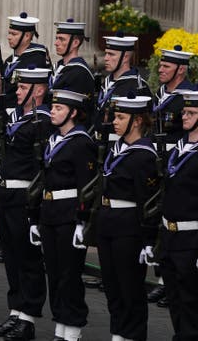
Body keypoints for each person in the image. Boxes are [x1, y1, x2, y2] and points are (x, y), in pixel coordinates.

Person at [0, 67, 51, 341]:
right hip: (8, 195)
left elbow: (41, 167)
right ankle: (15, 312)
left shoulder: (42, 122)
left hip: (25, 197)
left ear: (38, 91)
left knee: (28, 259)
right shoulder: (17, 118)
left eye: (23, 88)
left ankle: (28, 317)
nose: (18, 92)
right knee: (11, 256)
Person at [31, 89, 97, 341]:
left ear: (73, 112)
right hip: (50, 214)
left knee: (70, 274)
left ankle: (73, 329)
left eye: (59, 109)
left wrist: (82, 222)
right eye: (53, 108)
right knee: (56, 273)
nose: (53, 113)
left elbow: (86, 185)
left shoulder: (81, 143)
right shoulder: (52, 139)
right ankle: (61, 324)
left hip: (69, 216)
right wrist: (35, 217)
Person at [95, 93, 158, 341]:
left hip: (128, 228)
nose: (115, 122)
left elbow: (148, 202)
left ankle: (132, 335)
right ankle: (118, 334)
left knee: (130, 287)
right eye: (115, 116)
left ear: (138, 120)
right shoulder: (117, 149)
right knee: (112, 287)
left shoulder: (144, 156)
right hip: (108, 224)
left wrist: (148, 239)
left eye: (121, 117)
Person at [159, 90, 198, 340]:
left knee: (192, 304)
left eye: (192, 113)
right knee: (174, 301)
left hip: (192, 240)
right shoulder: (179, 149)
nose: (184, 116)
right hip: (170, 238)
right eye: (185, 111)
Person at [95, 35, 151, 141]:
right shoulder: (106, 82)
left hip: (119, 144)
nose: (106, 58)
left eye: (111, 54)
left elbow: (144, 125)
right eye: (106, 53)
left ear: (125, 57)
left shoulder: (137, 86)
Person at [2, 12, 50, 110]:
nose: (9, 37)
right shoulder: (9, 60)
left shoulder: (36, 59)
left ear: (27, 36)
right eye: (9, 33)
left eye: (14, 34)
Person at [51, 19, 95, 121]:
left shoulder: (79, 72)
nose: (56, 43)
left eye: (62, 39)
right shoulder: (59, 66)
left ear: (75, 43)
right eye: (56, 38)